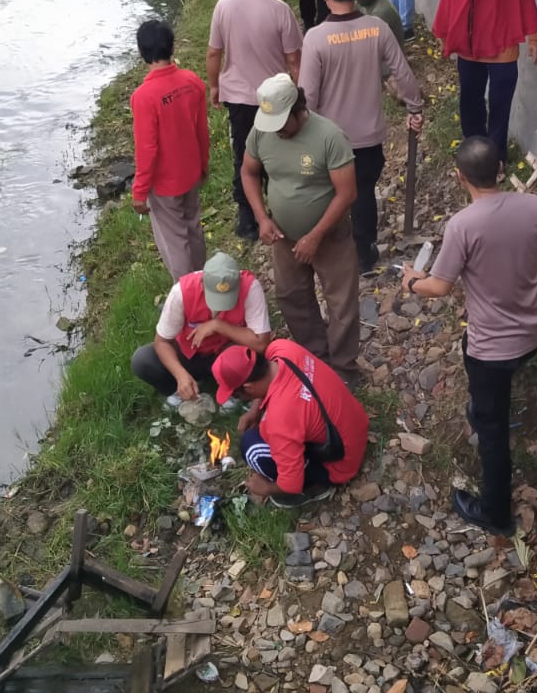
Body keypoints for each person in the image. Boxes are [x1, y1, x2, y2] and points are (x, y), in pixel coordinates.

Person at [401, 137, 537, 535]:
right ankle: (483, 410)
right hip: (535, 333)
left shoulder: (463, 226)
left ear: (460, 177)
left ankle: (495, 514)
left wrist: (412, 281)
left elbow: (439, 287)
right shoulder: (534, 207)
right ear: (500, 169)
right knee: (488, 392)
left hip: (491, 351)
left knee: (493, 434)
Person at [300, 0, 423, 275]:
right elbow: (402, 72)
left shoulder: (316, 38)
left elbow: (308, 96)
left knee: (330, 192)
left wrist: (303, 134)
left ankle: (331, 248)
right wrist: (414, 107)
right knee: (363, 192)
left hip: (329, 139)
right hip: (369, 135)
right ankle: (365, 253)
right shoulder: (377, 28)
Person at [241, 74, 361, 381]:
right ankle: (316, 358)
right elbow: (249, 172)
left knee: (341, 303)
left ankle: (344, 368)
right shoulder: (261, 133)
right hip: (283, 235)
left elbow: (347, 193)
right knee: (292, 296)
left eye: (282, 124)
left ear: (298, 109)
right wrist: (262, 217)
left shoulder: (329, 137)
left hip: (330, 237)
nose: (277, 132)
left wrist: (316, 235)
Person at [207, 0, 303, 242]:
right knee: (278, 155)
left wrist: (214, 86)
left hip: (238, 98)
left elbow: (214, 53)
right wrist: (300, 96)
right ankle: (281, 212)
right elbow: (294, 60)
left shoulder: (224, 5)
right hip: (275, 99)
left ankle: (248, 221)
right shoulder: (279, 10)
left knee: (245, 157)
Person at [215, 336, 369, 507]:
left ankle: (314, 487)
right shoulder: (282, 349)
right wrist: (254, 411)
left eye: (236, 395)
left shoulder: (279, 420)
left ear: (248, 388)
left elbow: (291, 483)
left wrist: (267, 488)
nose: (238, 398)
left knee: (250, 446)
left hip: (340, 464)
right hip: (356, 424)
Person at [431, 0, 537, 160]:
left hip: (502, 49)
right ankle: (474, 150)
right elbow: (448, 3)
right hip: (469, 49)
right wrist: (444, 37)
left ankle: (495, 157)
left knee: (499, 105)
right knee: (470, 100)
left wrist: (534, 39)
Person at [131, 18, 211, 279]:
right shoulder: (192, 82)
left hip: (165, 183)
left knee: (175, 240)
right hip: (190, 171)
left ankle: (188, 294)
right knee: (193, 228)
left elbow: (147, 149)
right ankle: (201, 281)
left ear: (143, 52)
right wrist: (203, 165)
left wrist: (139, 191)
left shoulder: (144, 97)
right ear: (172, 47)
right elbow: (202, 130)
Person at [131, 253, 271, 400]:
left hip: (226, 354)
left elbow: (261, 344)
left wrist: (218, 325)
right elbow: (162, 342)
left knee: (255, 356)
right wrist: (180, 374)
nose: (220, 307)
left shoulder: (251, 288)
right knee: (142, 360)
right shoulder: (181, 292)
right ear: (202, 283)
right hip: (188, 354)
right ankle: (179, 391)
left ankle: (234, 391)